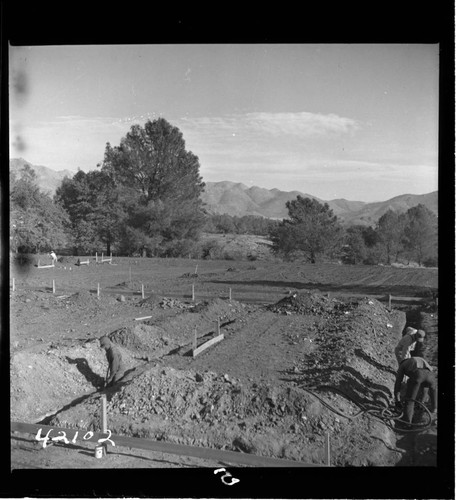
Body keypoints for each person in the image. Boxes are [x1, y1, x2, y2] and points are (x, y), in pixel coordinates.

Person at [393, 356, 437, 424]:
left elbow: (398, 383)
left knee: (410, 401)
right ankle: (433, 411)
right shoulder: (421, 360)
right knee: (433, 394)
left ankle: (407, 423)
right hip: (431, 377)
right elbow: (425, 384)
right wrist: (422, 400)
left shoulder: (403, 365)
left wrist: (397, 400)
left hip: (418, 375)